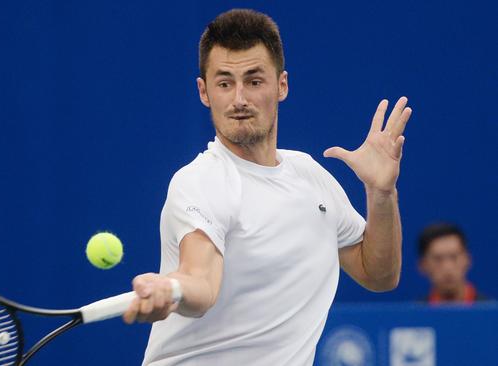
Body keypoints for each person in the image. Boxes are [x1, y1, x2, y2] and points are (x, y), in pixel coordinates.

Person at [123, 9, 412, 365]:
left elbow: (379, 274)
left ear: (282, 85)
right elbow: (201, 281)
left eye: (254, 81)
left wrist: (381, 195)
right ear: (204, 92)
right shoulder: (199, 183)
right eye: (225, 83)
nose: (239, 99)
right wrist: (174, 288)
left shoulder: (311, 177)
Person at [418, 223, 490, 304]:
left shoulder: (493, 314)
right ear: (423, 265)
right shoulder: (414, 315)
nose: (447, 267)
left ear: (467, 260)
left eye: (454, 257)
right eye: (438, 259)